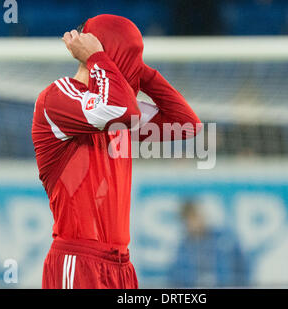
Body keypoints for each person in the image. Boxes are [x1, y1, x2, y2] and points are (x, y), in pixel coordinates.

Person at [32, 14, 201, 289]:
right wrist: (100, 59)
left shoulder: (122, 116)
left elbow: (186, 124)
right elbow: (120, 109)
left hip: (121, 265)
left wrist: (140, 71)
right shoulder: (57, 97)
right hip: (77, 262)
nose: (132, 63)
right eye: (129, 54)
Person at [169, 200, 249, 287]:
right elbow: (176, 278)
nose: (194, 222)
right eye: (188, 219)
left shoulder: (225, 239)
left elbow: (243, 267)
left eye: (196, 216)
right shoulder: (183, 249)